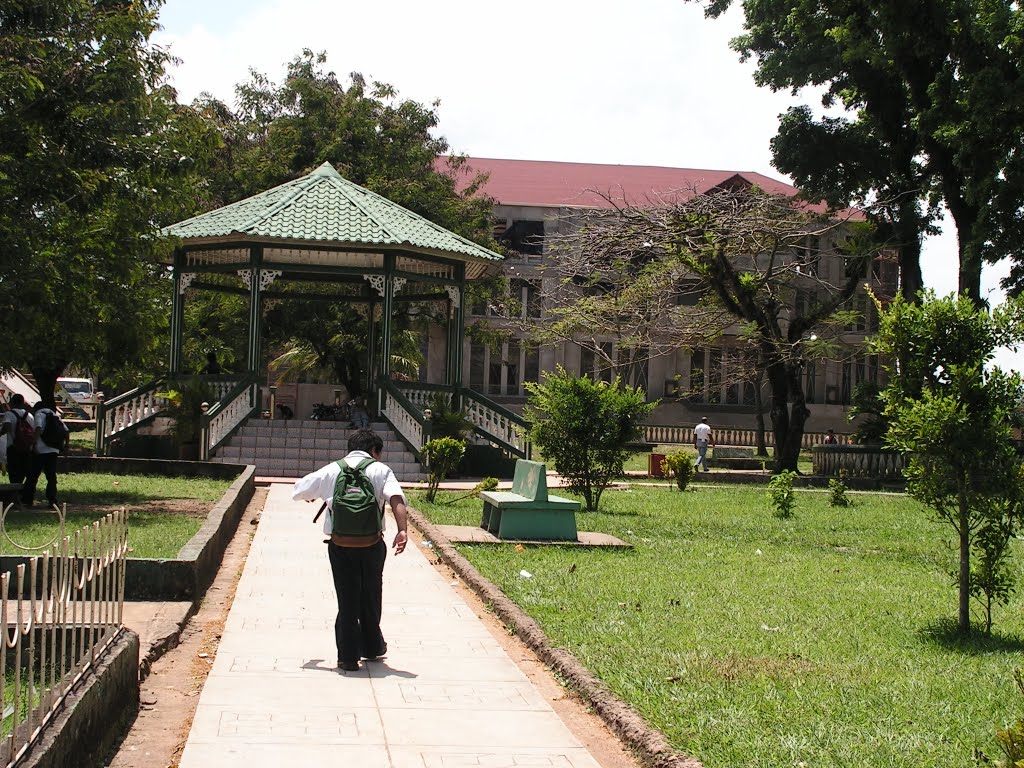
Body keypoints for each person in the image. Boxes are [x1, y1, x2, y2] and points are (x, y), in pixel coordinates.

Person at [291, 429, 409, 672]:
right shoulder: (380, 470)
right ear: (375, 451)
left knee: (347, 599)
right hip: (372, 545)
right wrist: (402, 530)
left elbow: (299, 490)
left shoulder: (332, 469)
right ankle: (372, 647)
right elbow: (396, 499)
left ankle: (347, 657)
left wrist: (313, 497)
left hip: (341, 546)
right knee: (371, 594)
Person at [24, 401, 68, 509]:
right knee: (51, 476)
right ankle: (52, 500)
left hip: (40, 450)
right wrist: (66, 446)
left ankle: (28, 499)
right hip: (53, 450)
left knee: (33, 475)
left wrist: (33, 443)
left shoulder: (39, 414)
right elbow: (66, 431)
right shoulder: (55, 415)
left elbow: (38, 428)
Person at [0, 394, 35, 503]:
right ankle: (19, 496)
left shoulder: (9, 414)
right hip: (26, 448)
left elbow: (7, 428)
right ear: (23, 403)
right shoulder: (29, 415)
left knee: (13, 473)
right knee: (22, 472)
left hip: (13, 448)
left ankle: (14, 497)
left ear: (12, 402)